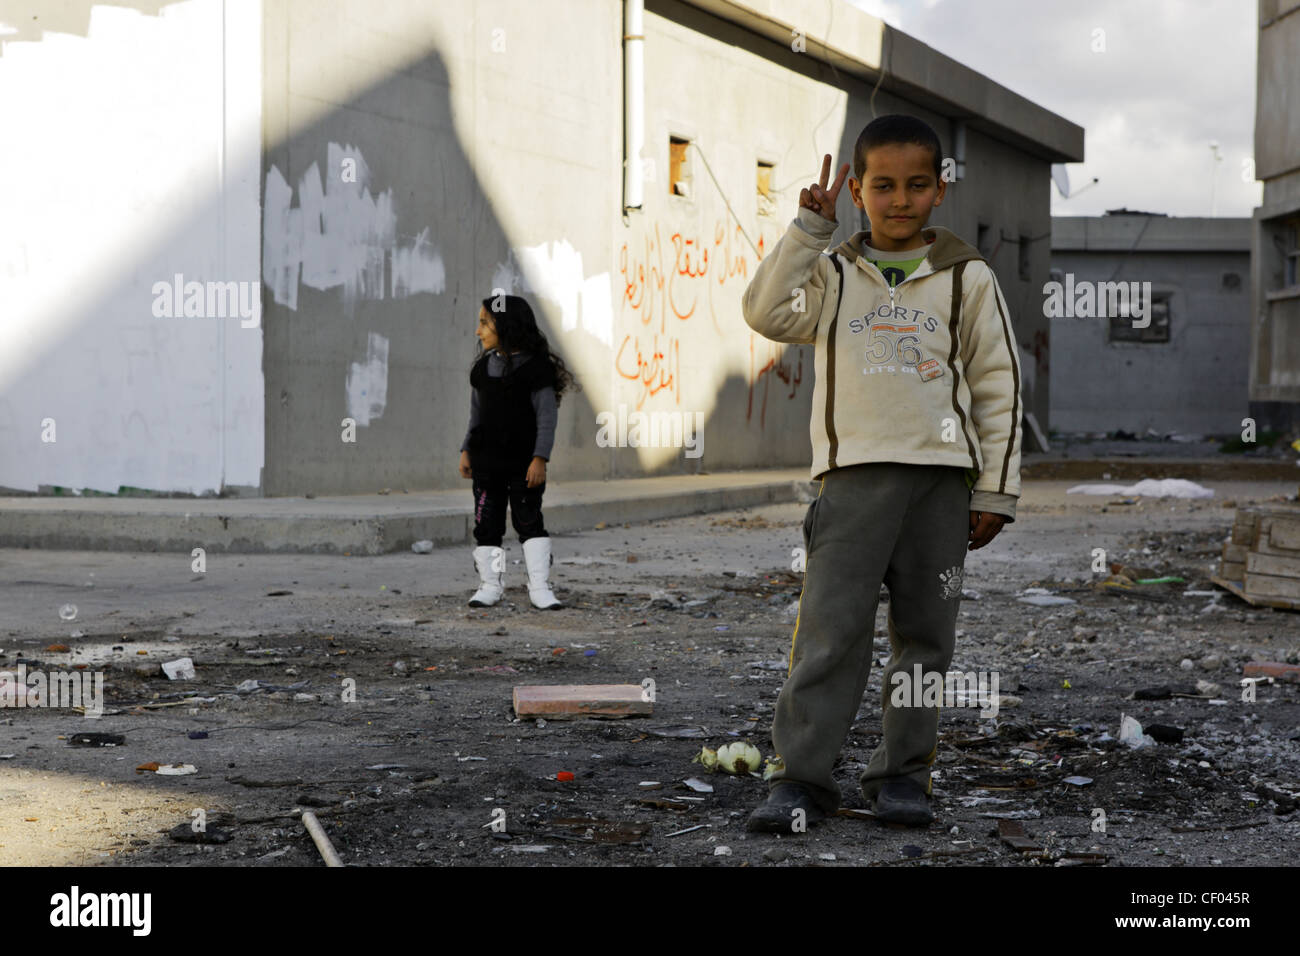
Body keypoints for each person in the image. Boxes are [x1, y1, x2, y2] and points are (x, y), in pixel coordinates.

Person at [740, 114, 1022, 833]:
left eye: (917, 185)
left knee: (926, 639)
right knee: (829, 637)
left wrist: (994, 487)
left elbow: (997, 384)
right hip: (852, 485)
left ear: (939, 192)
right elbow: (767, 312)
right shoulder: (833, 273)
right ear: (858, 193)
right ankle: (801, 780)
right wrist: (808, 229)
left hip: (941, 489)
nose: (900, 200)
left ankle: (902, 778)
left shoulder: (967, 277)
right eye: (883, 185)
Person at [459, 292, 580, 610]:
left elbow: (546, 418)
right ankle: (490, 585)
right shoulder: (483, 369)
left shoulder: (536, 370)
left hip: (524, 465)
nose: (478, 330)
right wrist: (466, 450)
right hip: (486, 464)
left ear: (506, 325)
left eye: (484, 323)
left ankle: (539, 586)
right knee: (488, 525)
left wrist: (540, 458)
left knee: (528, 522)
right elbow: (476, 414)